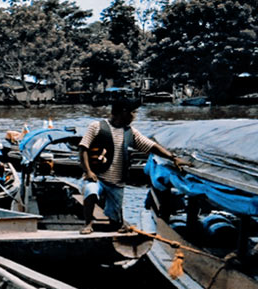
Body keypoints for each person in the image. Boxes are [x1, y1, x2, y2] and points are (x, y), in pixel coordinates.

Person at [79, 98, 186, 234]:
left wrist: (173, 157)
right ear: (124, 112)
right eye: (133, 112)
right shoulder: (97, 126)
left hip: (116, 181)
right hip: (97, 176)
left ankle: (116, 223)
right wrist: (88, 171)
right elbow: (83, 149)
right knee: (91, 191)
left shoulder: (130, 132)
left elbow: (151, 146)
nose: (135, 116)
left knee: (115, 221)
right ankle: (88, 223)